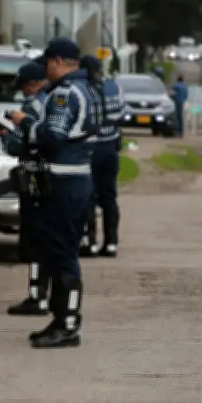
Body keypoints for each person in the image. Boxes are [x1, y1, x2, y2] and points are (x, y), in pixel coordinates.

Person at [7, 37, 100, 349]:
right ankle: (61, 319)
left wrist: (25, 123)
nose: (45, 69)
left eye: (47, 62)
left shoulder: (64, 93)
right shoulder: (88, 89)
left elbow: (52, 137)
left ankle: (68, 324)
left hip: (63, 183)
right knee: (60, 252)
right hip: (76, 180)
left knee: (62, 255)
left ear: (59, 61)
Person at [1, 61, 50, 316]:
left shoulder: (30, 107)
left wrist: (5, 136)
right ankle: (48, 293)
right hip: (53, 177)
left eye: (23, 86)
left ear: (31, 85)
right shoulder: (53, 102)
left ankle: (37, 296)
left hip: (34, 178)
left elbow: (17, 146)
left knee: (34, 239)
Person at [79, 54, 124, 258]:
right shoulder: (114, 87)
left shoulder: (82, 90)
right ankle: (111, 242)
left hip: (89, 149)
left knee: (87, 196)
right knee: (109, 197)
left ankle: (89, 241)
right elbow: (122, 114)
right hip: (110, 148)